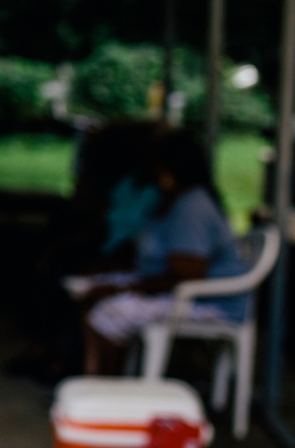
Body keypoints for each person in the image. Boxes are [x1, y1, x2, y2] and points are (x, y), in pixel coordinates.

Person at [82, 131, 248, 374]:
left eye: (156, 164)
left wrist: (124, 288)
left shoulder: (192, 208)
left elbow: (186, 276)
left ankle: (106, 387)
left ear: (170, 168)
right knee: (90, 291)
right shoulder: (171, 200)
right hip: (179, 292)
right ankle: (90, 377)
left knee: (108, 312)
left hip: (208, 303)